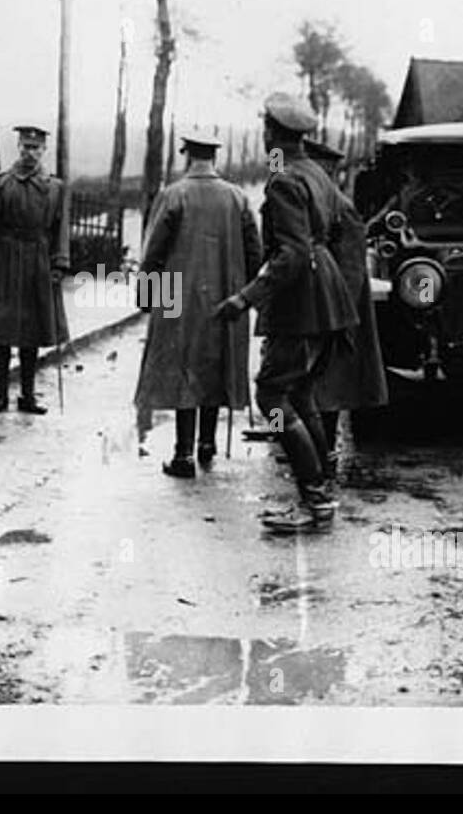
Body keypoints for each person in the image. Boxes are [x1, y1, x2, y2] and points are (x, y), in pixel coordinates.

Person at [215, 93, 355, 529]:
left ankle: (314, 500)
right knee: (300, 394)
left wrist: (245, 298)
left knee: (272, 396)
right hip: (326, 295)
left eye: (265, 130)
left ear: (272, 134)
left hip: (301, 303)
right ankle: (319, 491)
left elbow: (291, 254)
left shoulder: (283, 182)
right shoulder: (316, 172)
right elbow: (333, 230)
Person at [135, 130, 261, 477]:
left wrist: (147, 298)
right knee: (215, 366)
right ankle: (207, 446)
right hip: (226, 293)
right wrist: (245, 290)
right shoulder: (237, 197)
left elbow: (153, 253)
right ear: (215, 158)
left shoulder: (173, 195)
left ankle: (182, 456)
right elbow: (255, 252)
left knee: (183, 369)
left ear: (187, 155)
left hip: (178, 294)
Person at [0, 125, 70, 414]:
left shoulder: (55, 188)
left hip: (37, 262)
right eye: (25, 147)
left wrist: (59, 263)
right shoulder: (0, 184)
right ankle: (0, 394)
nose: (29, 153)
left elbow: (60, 229)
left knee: (32, 330)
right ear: (18, 148)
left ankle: (28, 395)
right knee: (1, 328)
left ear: (43, 150)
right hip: (5, 260)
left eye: (35, 148)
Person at [304, 137, 389, 478]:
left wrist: (337, 321)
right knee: (315, 387)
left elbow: (352, 273)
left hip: (337, 315)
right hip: (320, 311)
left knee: (329, 390)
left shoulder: (341, 209)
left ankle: (324, 459)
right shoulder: (317, 206)